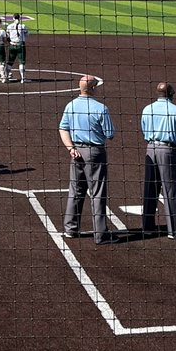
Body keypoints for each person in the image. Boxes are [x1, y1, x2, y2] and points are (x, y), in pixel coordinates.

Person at [59, 74, 117, 244]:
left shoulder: (70, 106)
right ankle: (100, 234)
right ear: (92, 88)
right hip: (95, 153)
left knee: (76, 190)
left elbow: (63, 128)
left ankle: (70, 228)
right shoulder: (101, 108)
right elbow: (110, 134)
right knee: (97, 192)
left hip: (76, 152)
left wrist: (71, 148)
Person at [139, 82, 176, 239]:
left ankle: (147, 226)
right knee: (171, 189)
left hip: (151, 148)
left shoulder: (147, 109)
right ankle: (175, 229)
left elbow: (143, 129)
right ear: (171, 94)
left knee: (150, 188)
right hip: (169, 150)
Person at [6, 13, 29, 83]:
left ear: (13, 18)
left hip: (12, 45)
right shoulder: (23, 26)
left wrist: (11, 41)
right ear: (19, 18)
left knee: (10, 62)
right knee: (21, 62)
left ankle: (6, 77)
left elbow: (7, 36)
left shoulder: (9, 26)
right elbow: (27, 35)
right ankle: (23, 78)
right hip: (20, 45)